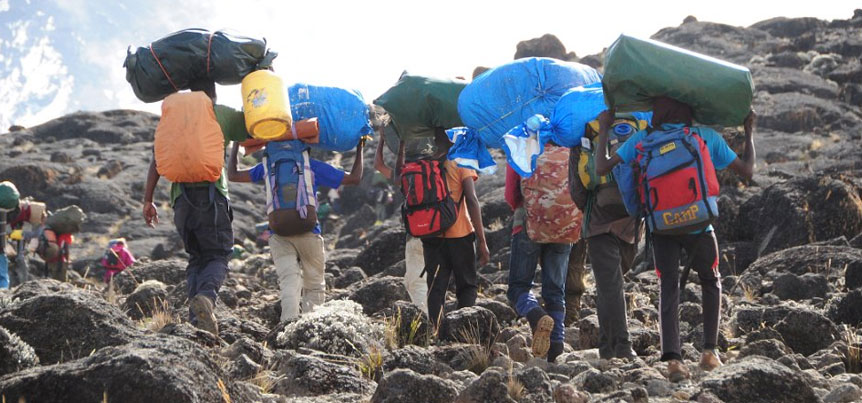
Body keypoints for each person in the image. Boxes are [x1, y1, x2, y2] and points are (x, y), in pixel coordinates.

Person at [595, 97, 756, 380]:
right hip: (699, 224)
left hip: (661, 227)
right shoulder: (703, 136)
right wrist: (749, 131)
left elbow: (601, 168)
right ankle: (709, 352)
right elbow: (747, 171)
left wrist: (605, 128)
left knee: (668, 286)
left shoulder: (642, 139)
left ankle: (673, 360)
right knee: (710, 279)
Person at [143, 80, 248, 337]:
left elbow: (158, 159)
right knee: (218, 255)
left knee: (196, 258)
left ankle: (196, 322)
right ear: (212, 91)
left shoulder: (173, 116)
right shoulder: (217, 112)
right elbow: (253, 129)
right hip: (212, 200)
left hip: (181, 203)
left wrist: (148, 200)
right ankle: (206, 299)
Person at [228, 139, 364, 322]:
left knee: (289, 281)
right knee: (314, 286)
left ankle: (287, 323)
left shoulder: (267, 167)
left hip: (279, 233)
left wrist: (236, 143)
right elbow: (354, 178)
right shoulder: (311, 166)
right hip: (309, 231)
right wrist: (360, 148)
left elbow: (234, 175)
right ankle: (310, 328)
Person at [568, 114, 648, 360]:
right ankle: (618, 346)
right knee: (611, 284)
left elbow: (576, 188)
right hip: (630, 222)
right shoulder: (640, 127)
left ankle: (612, 346)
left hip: (599, 221)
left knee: (609, 286)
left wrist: (590, 206)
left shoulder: (587, 133)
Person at [397, 129, 490, 327]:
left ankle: (437, 333)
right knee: (466, 286)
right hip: (460, 234)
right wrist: (482, 241)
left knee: (436, 286)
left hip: (432, 233)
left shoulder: (425, 164)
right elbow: (472, 200)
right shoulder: (460, 161)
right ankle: (465, 332)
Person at [505, 142, 582, 362]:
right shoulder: (569, 149)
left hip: (528, 227)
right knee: (556, 292)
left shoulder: (521, 147)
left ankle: (536, 314)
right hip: (564, 228)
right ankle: (555, 351)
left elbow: (511, 195)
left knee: (518, 287)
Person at [374, 134, 428, 314]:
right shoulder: (436, 167)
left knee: (416, 282)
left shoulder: (405, 174)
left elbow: (379, 166)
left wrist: (383, 139)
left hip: (416, 233)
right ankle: (438, 321)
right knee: (437, 280)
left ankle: (426, 322)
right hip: (441, 230)